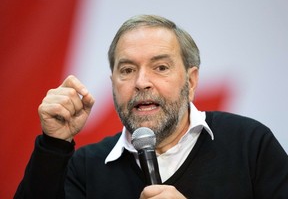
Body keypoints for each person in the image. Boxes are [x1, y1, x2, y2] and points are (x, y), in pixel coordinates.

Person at [15, 14, 288, 199]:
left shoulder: (249, 144)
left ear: (191, 81)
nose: (141, 82)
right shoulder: (86, 167)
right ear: (113, 84)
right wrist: (54, 145)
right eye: (127, 69)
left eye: (160, 67)